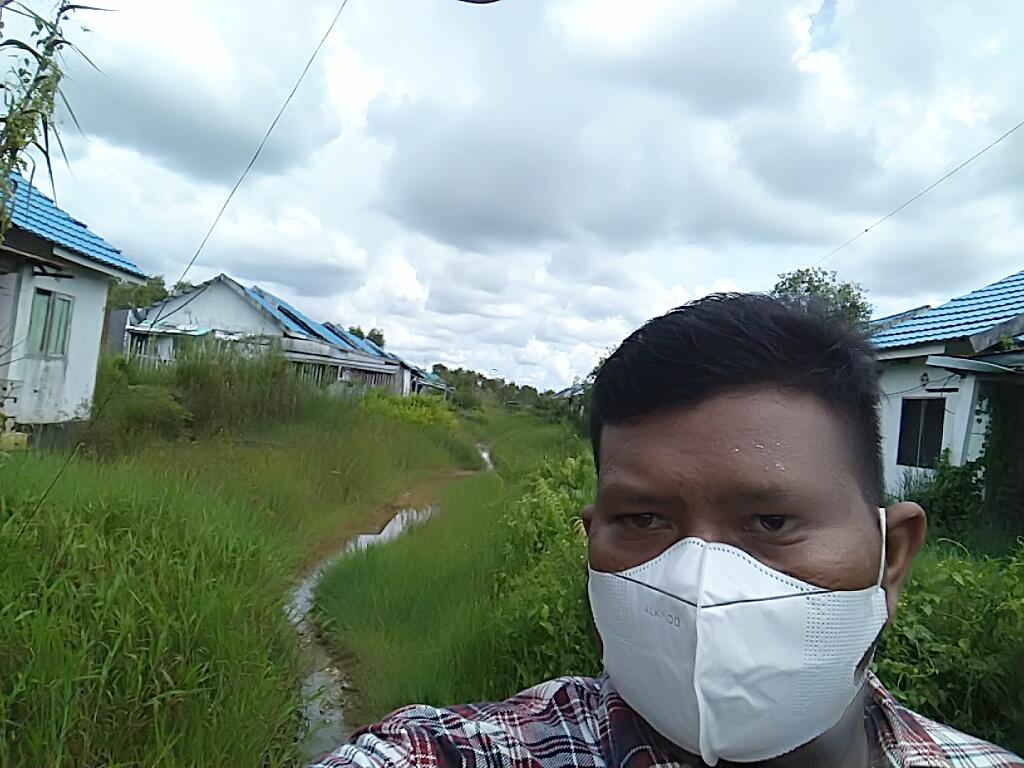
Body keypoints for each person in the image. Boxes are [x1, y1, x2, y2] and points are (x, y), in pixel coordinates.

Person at [310, 294, 1023, 768]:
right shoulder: (464, 752)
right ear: (592, 544)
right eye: (644, 520)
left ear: (891, 559)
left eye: (771, 522)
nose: (700, 583)